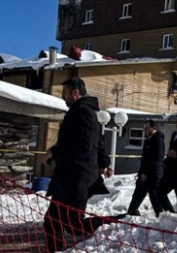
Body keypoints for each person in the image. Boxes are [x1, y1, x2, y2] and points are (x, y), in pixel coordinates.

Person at [41, 77, 111, 253]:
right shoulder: (82, 112)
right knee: (52, 220)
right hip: (69, 177)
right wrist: (106, 162)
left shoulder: (83, 113)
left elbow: (84, 145)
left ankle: (116, 223)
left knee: (75, 226)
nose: (63, 97)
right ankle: (55, 250)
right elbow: (99, 142)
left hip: (77, 178)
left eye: (65, 93)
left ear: (76, 93)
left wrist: (54, 152)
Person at [127, 120, 165, 217]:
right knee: (138, 195)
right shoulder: (149, 140)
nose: (145, 130)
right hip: (145, 173)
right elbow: (145, 159)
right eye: (144, 128)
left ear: (154, 128)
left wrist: (146, 173)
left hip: (153, 174)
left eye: (147, 128)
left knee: (154, 197)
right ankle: (132, 212)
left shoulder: (158, 141)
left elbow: (157, 159)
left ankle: (161, 217)